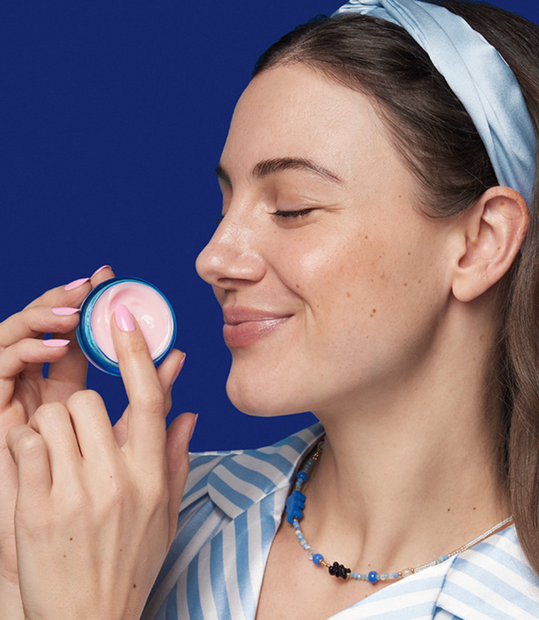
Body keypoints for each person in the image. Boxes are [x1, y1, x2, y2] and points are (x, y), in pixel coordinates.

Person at [2, 0, 539, 618]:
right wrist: (19, 571)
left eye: (292, 208)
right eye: (224, 205)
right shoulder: (124, 522)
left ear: (480, 242)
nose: (212, 258)